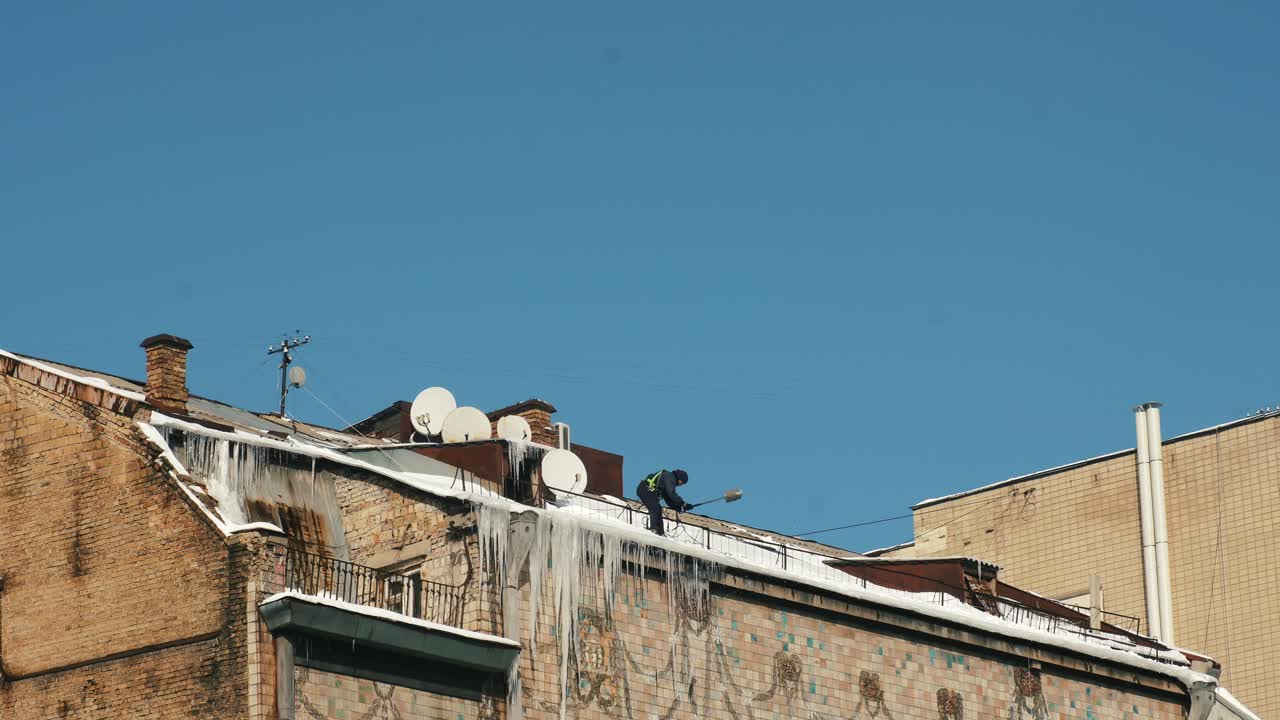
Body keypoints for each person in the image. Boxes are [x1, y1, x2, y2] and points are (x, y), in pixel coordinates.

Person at [637, 468, 690, 536]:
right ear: (679, 478)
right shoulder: (669, 477)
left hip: (648, 491)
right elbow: (671, 494)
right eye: (681, 482)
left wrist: (677, 507)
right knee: (655, 508)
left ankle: (660, 533)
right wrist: (683, 503)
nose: (681, 485)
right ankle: (654, 530)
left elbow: (667, 498)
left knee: (658, 509)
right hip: (645, 489)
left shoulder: (669, 480)